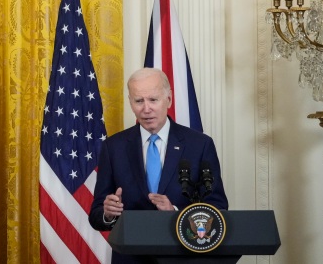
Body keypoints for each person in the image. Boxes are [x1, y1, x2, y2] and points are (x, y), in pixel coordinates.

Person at [88, 68, 228, 264]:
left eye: (153, 100)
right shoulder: (114, 147)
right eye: (139, 101)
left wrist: (176, 212)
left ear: (168, 99)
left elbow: (218, 207)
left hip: (182, 256)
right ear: (130, 102)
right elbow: (96, 215)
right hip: (130, 258)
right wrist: (108, 213)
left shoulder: (200, 145)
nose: (146, 109)